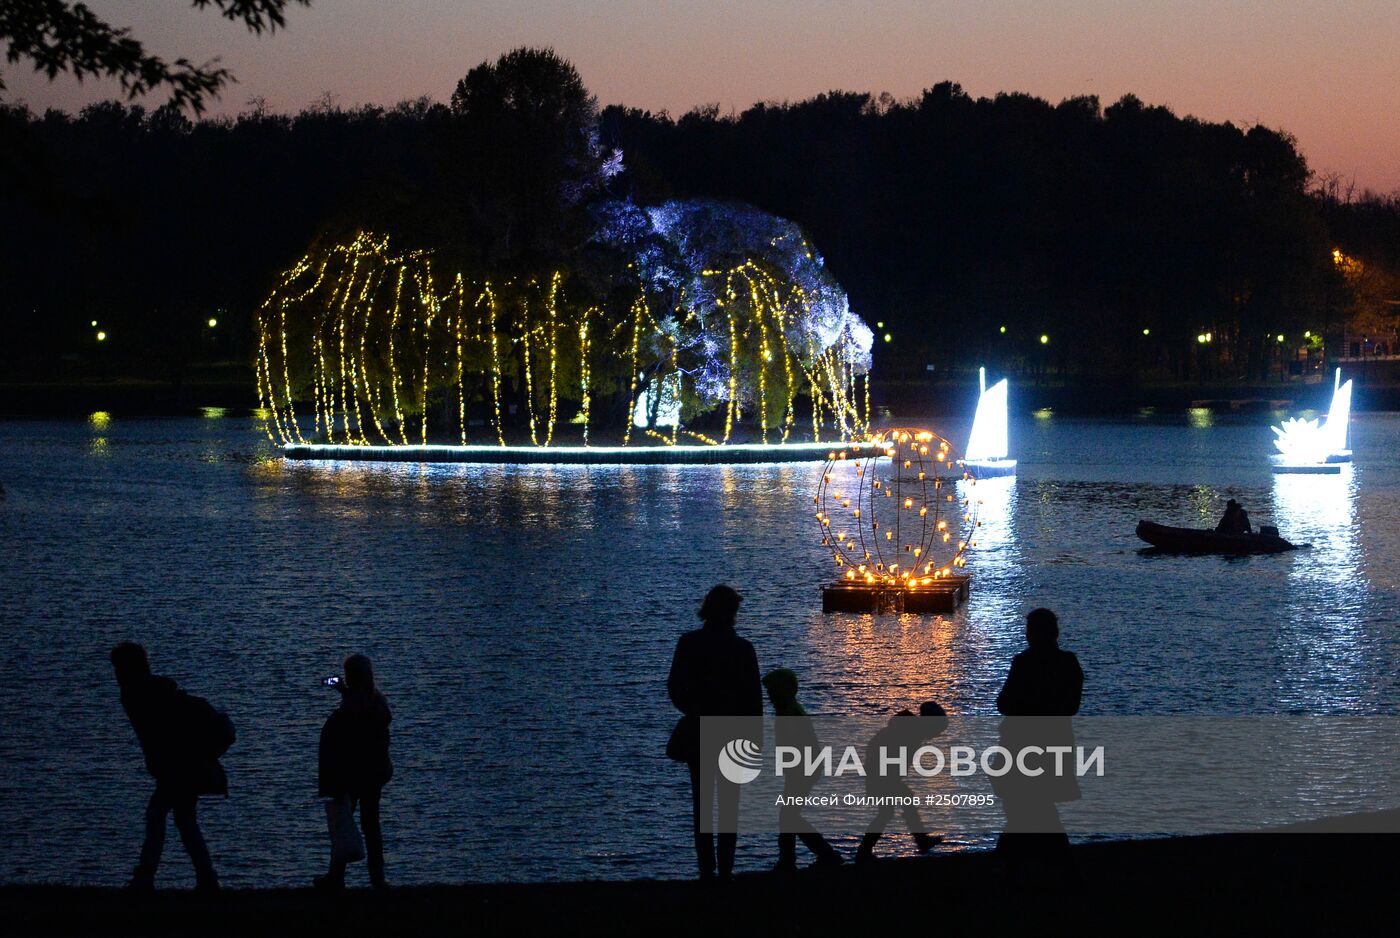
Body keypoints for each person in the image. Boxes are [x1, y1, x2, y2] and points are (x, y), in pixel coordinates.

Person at [110, 642, 234, 892]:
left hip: (177, 767)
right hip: (179, 765)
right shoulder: (151, 690)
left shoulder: (138, 693)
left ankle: (147, 877)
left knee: (162, 816)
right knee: (182, 820)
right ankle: (205, 878)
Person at [667, 585, 762, 882]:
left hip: (699, 730)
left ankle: (706, 869)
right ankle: (726, 870)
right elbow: (753, 700)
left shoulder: (688, 643)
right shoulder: (743, 649)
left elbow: (674, 687)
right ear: (733, 612)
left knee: (702, 804)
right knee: (730, 807)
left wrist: (693, 709)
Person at [992, 608, 1084, 859]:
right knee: (1039, 808)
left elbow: (1004, 703)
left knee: (1021, 808)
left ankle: (1013, 864)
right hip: (1054, 744)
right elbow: (1071, 707)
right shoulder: (1068, 662)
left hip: (1019, 745)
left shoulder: (1023, 662)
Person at [316, 654, 393, 889]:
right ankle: (377, 879)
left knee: (344, 823)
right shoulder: (377, 702)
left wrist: (342, 691)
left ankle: (336, 876)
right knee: (371, 825)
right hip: (374, 773)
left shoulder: (351, 708)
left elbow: (342, 739)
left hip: (354, 774)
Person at [762, 668, 843, 873]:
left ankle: (810, 856)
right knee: (789, 816)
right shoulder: (788, 710)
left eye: (772, 691)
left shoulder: (789, 712)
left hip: (802, 770)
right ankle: (798, 858)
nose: (769, 695)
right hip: (802, 770)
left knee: (788, 816)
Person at [855, 701, 947, 863]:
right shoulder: (911, 732)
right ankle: (864, 852)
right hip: (881, 774)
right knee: (889, 811)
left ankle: (919, 840)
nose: (935, 735)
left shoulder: (910, 730)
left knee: (889, 811)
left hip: (882, 773)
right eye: (936, 731)